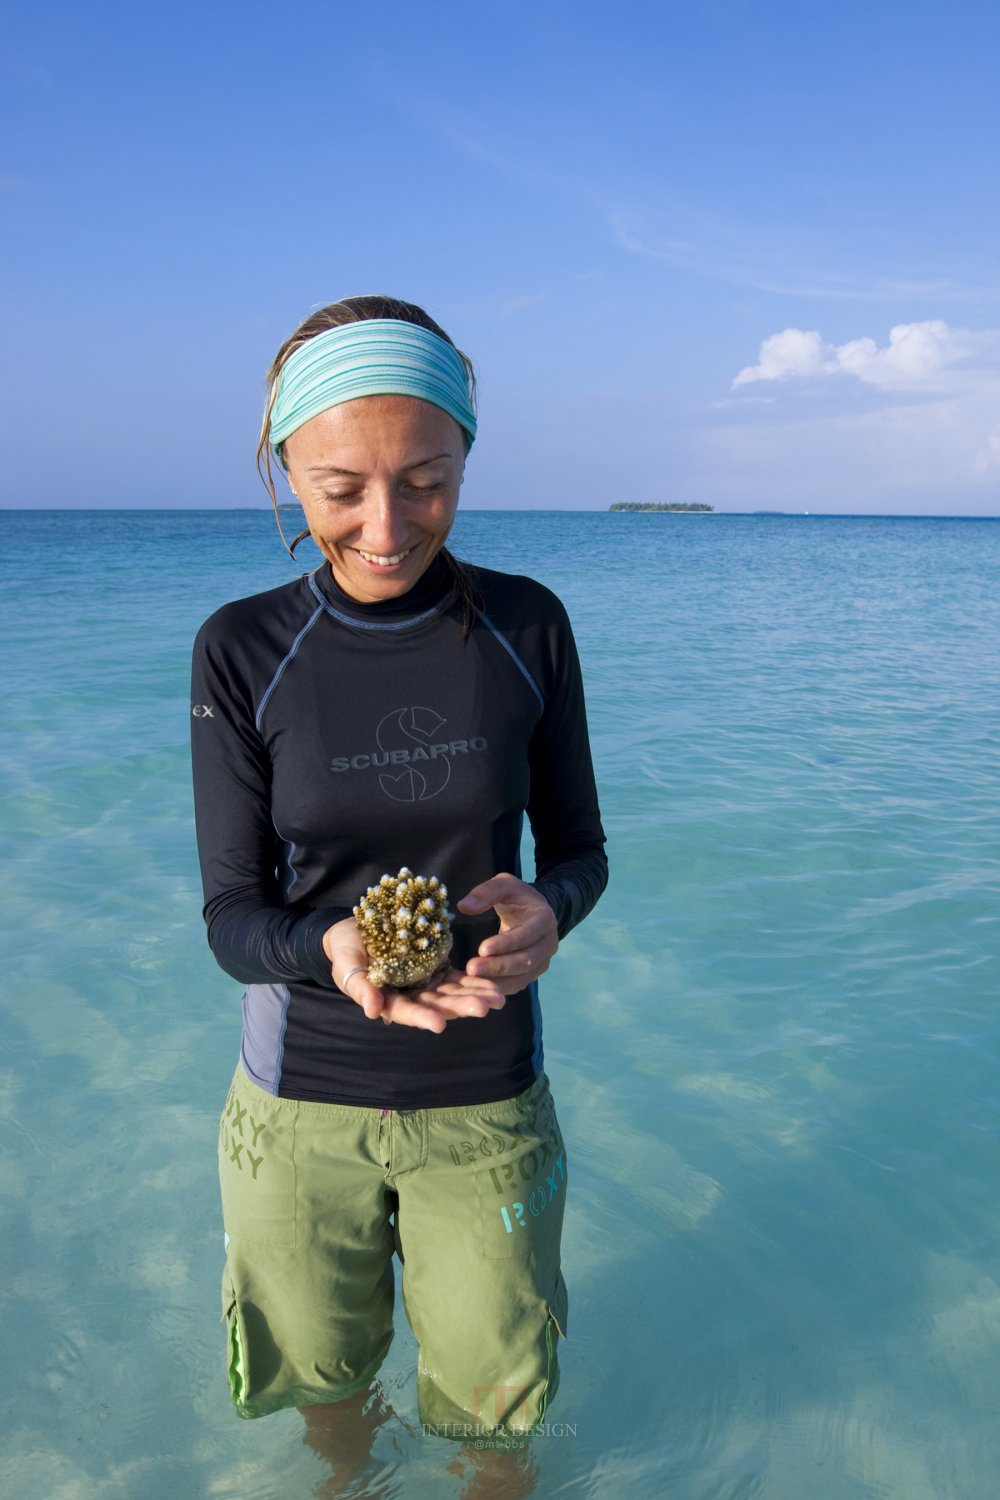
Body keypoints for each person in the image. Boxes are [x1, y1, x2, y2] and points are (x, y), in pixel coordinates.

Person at [190, 295, 608, 1450]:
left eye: (425, 478)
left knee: (496, 1414)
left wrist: (550, 912)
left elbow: (580, 850)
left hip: (484, 1102)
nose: (385, 524)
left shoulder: (527, 629)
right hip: (297, 1107)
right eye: (339, 488)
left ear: (466, 451)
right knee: (330, 1397)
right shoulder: (241, 649)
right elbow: (232, 918)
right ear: (287, 468)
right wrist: (325, 947)